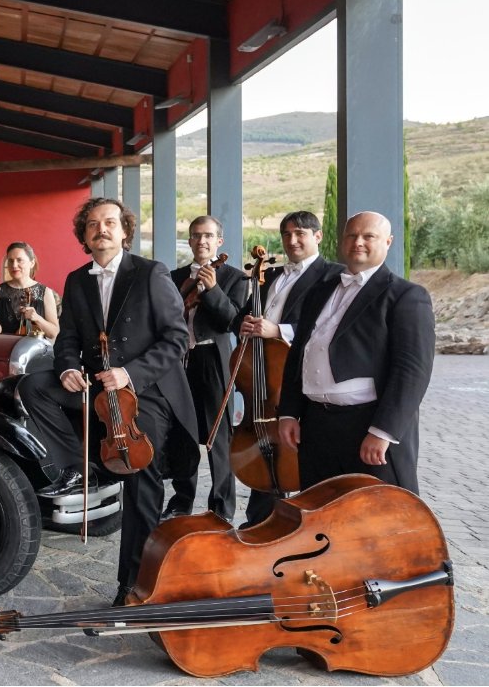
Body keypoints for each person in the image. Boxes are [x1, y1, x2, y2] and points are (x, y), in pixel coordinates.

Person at [18, 198, 196, 605]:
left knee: (140, 479)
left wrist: (129, 373)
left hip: (147, 392)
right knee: (32, 387)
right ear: (84, 234)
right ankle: (80, 465)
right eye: (93, 224)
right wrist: (67, 367)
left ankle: (133, 584)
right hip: (97, 387)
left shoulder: (151, 273)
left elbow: (176, 338)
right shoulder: (77, 280)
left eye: (110, 223)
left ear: (124, 230)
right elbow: (67, 338)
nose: (102, 230)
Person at [278, 211, 434, 494]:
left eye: (368, 236)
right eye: (351, 235)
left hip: (367, 428)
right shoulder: (319, 291)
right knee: (320, 511)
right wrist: (288, 413)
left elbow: (412, 371)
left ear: (388, 241)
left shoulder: (406, 296)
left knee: (379, 514)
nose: (358, 242)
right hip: (316, 427)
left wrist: (383, 431)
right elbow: (298, 354)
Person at [233, 211, 342, 527]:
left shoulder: (332, 276)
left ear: (317, 236)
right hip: (264, 376)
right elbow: (245, 315)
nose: (292, 240)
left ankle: (308, 525)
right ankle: (261, 523)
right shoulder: (270, 275)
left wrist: (279, 330)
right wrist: (245, 322)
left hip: (302, 377)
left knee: (307, 458)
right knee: (266, 448)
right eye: (287, 234)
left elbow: (328, 324)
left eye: (300, 234)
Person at [163, 216, 247, 523]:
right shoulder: (174, 277)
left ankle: (222, 507)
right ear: (189, 241)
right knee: (182, 432)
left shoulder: (235, 278)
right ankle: (181, 501)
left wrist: (212, 289)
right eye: (197, 235)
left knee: (218, 435)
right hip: (180, 360)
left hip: (212, 359)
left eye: (209, 236)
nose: (202, 241)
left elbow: (231, 321)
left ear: (219, 241)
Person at [0, 242, 59, 340]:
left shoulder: (45, 292)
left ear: (32, 263)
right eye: (10, 261)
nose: (14, 265)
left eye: (19, 260)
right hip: (4, 347)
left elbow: (53, 333)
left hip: (35, 348)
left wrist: (37, 318)